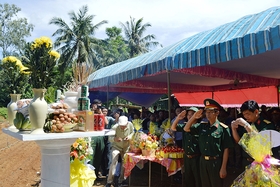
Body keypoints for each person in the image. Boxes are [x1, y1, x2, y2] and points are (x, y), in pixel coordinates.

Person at [184, 99, 234, 187]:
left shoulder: (223, 129)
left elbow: (226, 149)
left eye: (210, 112)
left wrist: (223, 167)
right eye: (206, 112)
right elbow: (186, 129)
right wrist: (194, 117)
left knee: (216, 184)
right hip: (203, 161)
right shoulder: (202, 126)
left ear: (217, 113)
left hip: (216, 162)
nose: (208, 114)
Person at [231, 100, 275, 171]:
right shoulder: (247, 124)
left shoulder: (266, 125)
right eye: (244, 114)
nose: (246, 116)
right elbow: (239, 141)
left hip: (261, 164)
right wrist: (233, 129)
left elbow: (260, 140)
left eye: (248, 114)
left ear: (256, 112)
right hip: (246, 162)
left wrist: (247, 126)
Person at [171, 107, 201, 187]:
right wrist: (178, 118)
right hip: (187, 157)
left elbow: (187, 128)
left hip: (196, 157)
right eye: (188, 115)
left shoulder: (199, 126)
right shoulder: (184, 125)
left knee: (198, 179)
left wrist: (193, 118)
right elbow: (173, 127)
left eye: (192, 115)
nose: (189, 116)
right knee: (188, 178)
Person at [105, 116, 134, 187]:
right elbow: (109, 138)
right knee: (114, 161)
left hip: (126, 148)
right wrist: (115, 139)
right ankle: (109, 181)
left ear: (127, 124)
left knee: (124, 163)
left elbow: (133, 132)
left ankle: (121, 180)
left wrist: (129, 137)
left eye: (124, 126)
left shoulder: (130, 125)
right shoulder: (114, 127)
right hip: (116, 147)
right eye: (121, 126)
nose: (122, 128)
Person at [90, 99, 106, 181]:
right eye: (97, 105)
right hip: (92, 136)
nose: (98, 107)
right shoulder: (89, 111)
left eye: (100, 105)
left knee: (98, 157)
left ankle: (95, 175)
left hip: (100, 136)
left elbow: (105, 122)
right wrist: (92, 110)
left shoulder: (101, 113)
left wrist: (100, 112)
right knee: (91, 157)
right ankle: (90, 175)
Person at [100, 107, 116, 177]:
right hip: (101, 137)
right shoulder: (98, 117)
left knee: (108, 154)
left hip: (109, 138)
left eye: (106, 111)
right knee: (102, 154)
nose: (105, 113)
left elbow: (115, 121)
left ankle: (108, 171)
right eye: (103, 111)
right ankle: (103, 170)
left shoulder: (109, 118)